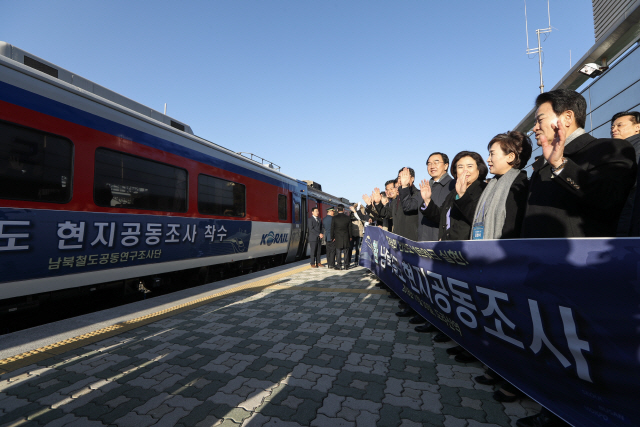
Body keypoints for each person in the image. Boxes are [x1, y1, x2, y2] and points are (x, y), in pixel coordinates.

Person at [517, 89, 636, 427]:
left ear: (566, 118)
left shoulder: (610, 148)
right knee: (551, 349)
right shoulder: (541, 163)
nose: (535, 129)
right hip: (540, 276)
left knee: (583, 354)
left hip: (582, 278)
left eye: (540, 120)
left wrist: (561, 165)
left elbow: (607, 200)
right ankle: (553, 409)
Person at [458, 131, 532, 399]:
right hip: (487, 264)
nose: (488, 159)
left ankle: (514, 380)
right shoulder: (494, 185)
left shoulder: (518, 184)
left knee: (511, 325)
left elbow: (512, 230)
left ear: (511, 157)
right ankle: (496, 367)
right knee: (493, 321)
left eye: (493, 153)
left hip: (505, 267)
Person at [419, 151, 488, 344]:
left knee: (466, 299)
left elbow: (476, 217)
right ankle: (450, 329)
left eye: (469, 166)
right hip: (448, 249)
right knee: (449, 294)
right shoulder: (454, 190)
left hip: (466, 251)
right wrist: (427, 201)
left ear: (479, 169)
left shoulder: (481, 189)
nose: (464, 171)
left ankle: (467, 340)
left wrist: (463, 195)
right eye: (460, 167)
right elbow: (442, 216)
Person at [610, 111, 640, 236]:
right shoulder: (618, 150)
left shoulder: (634, 149)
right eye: (612, 127)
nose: (614, 129)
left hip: (629, 220)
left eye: (619, 125)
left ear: (638, 127)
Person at [372, 168, 421, 241]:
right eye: (399, 177)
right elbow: (386, 213)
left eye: (405, 176)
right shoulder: (397, 198)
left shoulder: (418, 194)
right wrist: (378, 203)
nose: (402, 180)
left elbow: (408, 207)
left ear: (412, 178)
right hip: (397, 239)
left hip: (412, 241)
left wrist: (404, 187)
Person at [419, 152, 456, 242]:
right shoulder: (426, 187)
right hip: (422, 241)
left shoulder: (453, 186)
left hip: (440, 241)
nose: (432, 166)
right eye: (429, 163)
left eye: (436, 162)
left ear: (446, 166)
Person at [331, 206, 352, 270]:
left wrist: (332, 237)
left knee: (338, 251)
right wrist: (350, 236)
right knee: (346, 251)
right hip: (346, 237)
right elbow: (350, 228)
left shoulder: (334, 218)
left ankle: (339, 266)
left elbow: (332, 228)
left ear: (337, 210)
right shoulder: (348, 218)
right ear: (343, 210)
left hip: (338, 237)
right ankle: (346, 266)